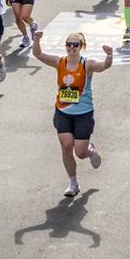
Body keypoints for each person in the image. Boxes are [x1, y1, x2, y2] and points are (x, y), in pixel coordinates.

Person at [29, 29, 113, 198]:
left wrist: (109, 55)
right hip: (63, 112)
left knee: (80, 152)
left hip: (84, 113)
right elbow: (38, 54)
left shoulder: (86, 64)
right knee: (66, 146)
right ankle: (73, 183)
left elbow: (104, 66)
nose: (71, 47)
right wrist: (37, 39)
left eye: (75, 45)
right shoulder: (59, 62)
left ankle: (90, 151)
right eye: (69, 44)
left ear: (82, 47)